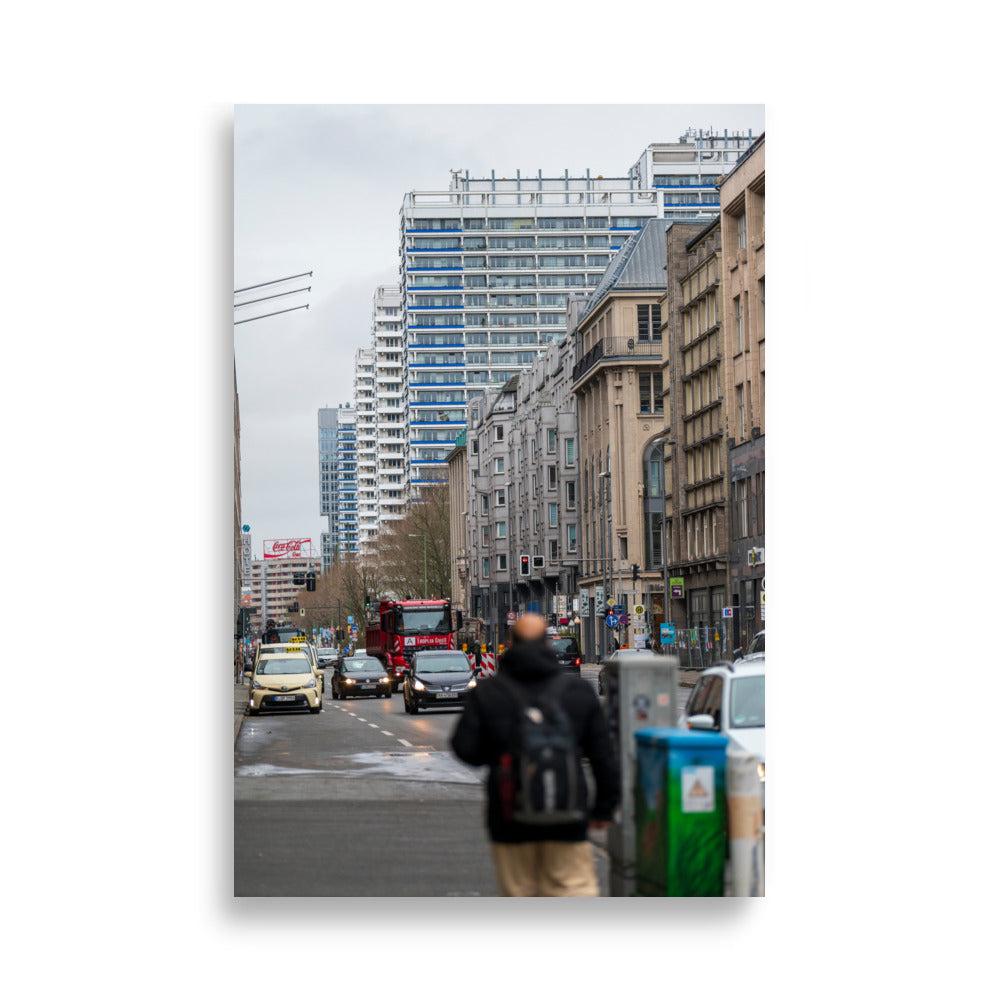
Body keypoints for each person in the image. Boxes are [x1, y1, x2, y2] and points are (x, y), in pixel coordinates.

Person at [450, 612, 620, 897]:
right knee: (573, 890)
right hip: (568, 818)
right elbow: (604, 756)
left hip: (509, 820)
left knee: (520, 894)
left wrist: (500, 753)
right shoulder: (577, 691)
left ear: (509, 644)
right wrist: (604, 808)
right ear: (547, 644)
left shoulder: (490, 692)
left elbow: (464, 748)